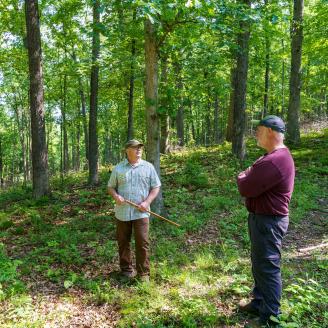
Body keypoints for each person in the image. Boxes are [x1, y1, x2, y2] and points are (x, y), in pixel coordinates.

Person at [237, 115, 295, 327]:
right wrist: (248, 175)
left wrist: (244, 176)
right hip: (263, 219)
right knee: (260, 264)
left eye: (259, 130)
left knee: (268, 267)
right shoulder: (269, 157)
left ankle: (270, 318)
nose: (256, 134)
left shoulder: (275, 160)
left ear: (271, 131)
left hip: (269, 222)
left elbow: (245, 186)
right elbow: (250, 179)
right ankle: (259, 302)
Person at [108, 139, 161, 282]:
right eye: (135, 148)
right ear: (127, 150)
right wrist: (116, 196)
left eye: (140, 148)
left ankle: (143, 274)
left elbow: (156, 187)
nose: (138, 150)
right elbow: (111, 187)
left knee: (142, 243)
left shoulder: (148, 167)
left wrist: (147, 202)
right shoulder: (118, 168)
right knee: (123, 242)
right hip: (122, 212)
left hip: (141, 212)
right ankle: (126, 271)